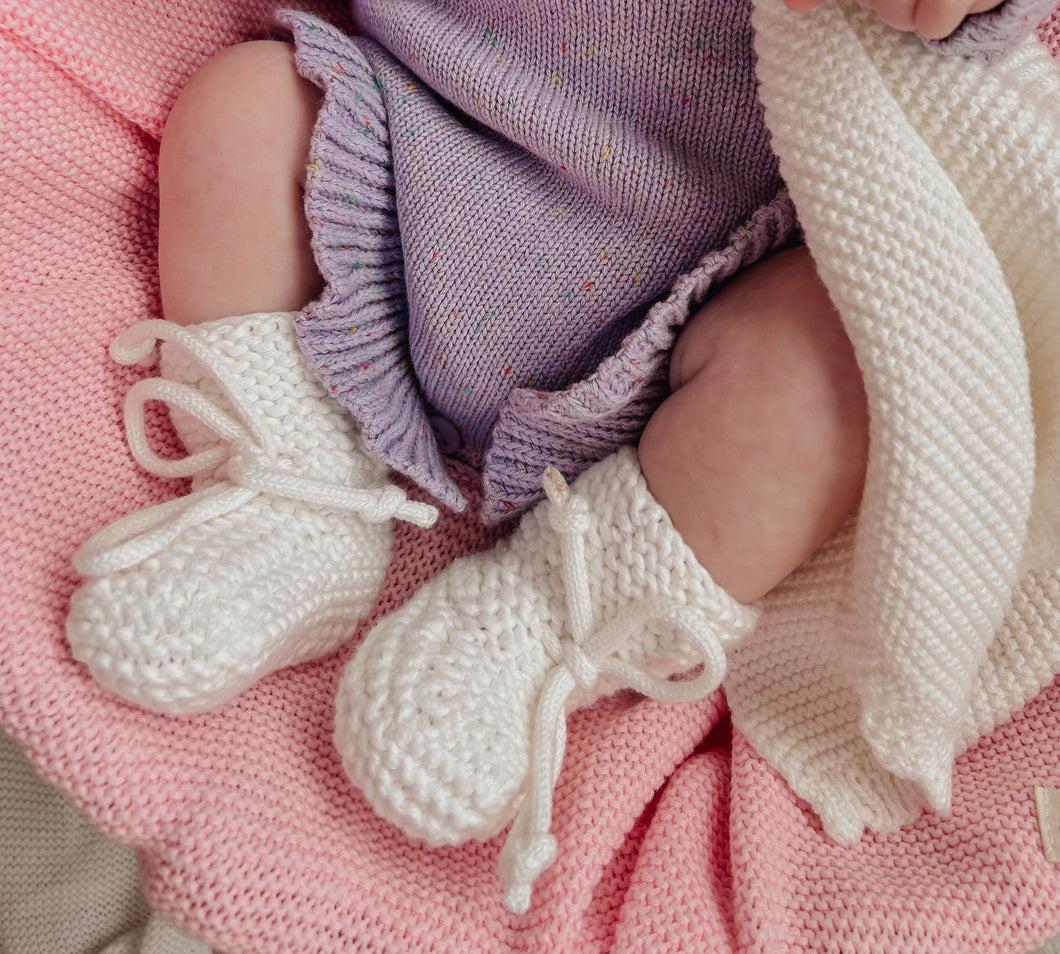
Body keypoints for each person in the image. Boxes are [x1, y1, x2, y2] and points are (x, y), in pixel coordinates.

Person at [65, 0, 1051, 913]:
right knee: (241, 114)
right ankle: (291, 496)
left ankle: (545, 623)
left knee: (831, 375)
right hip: (410, 157)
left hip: (701, 294)